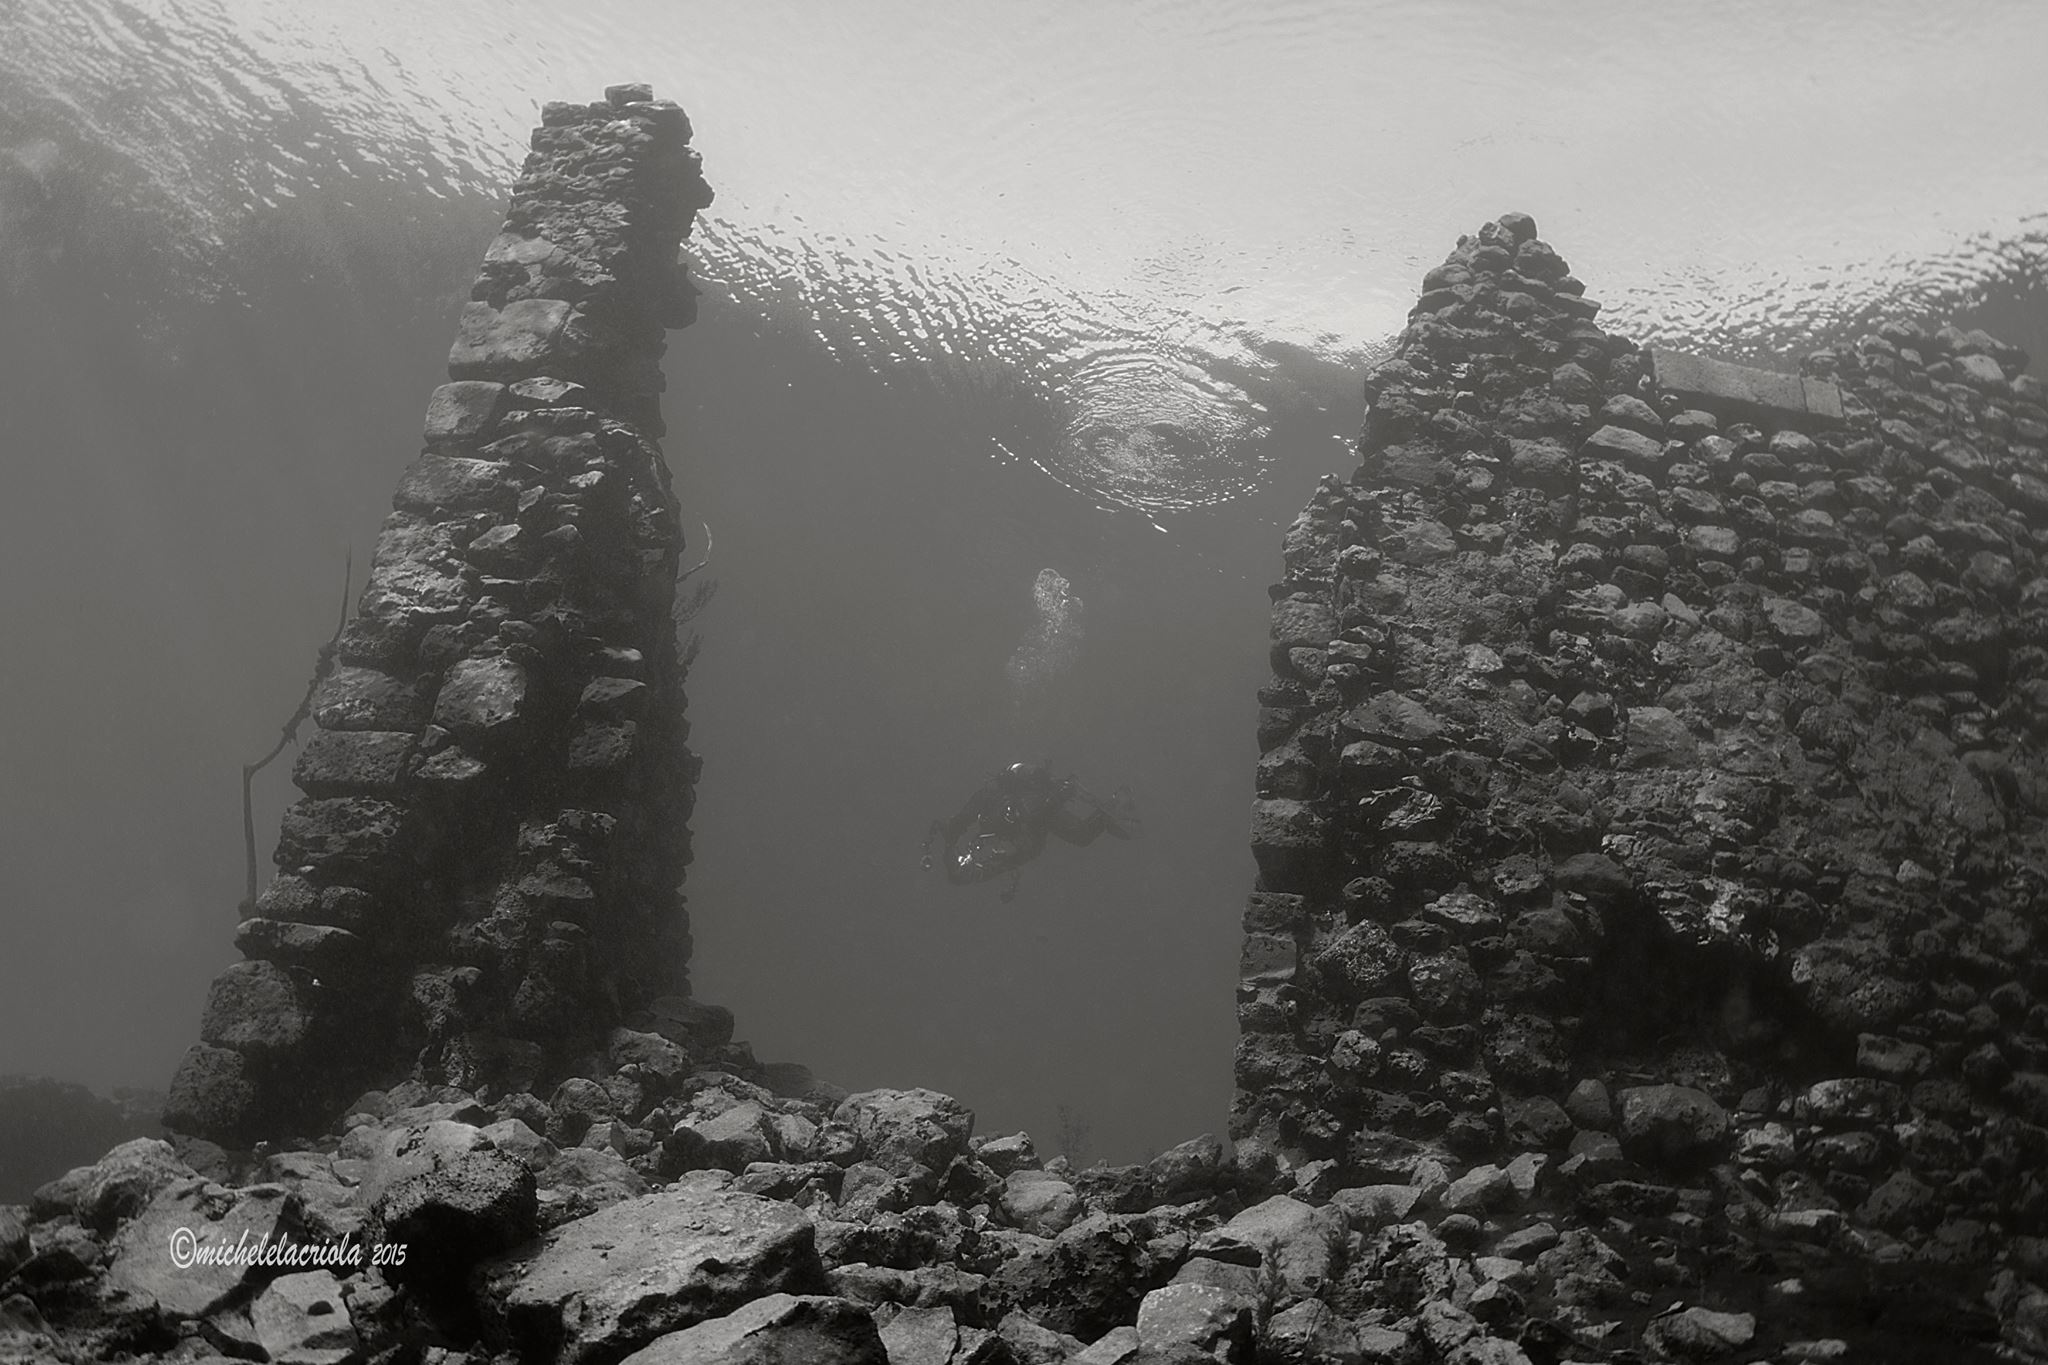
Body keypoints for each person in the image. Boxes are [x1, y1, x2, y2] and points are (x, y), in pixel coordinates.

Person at [922, 762, 1137, 900]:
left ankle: (1111, 807)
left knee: (1069, 831)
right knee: (1080, 836)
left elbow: (962, 819)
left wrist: (949, 839)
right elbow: (1025, 853)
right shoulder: (1002, 855)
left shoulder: (989, 800)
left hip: (1033, 806)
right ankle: (1112, 809)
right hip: (1037, 817)